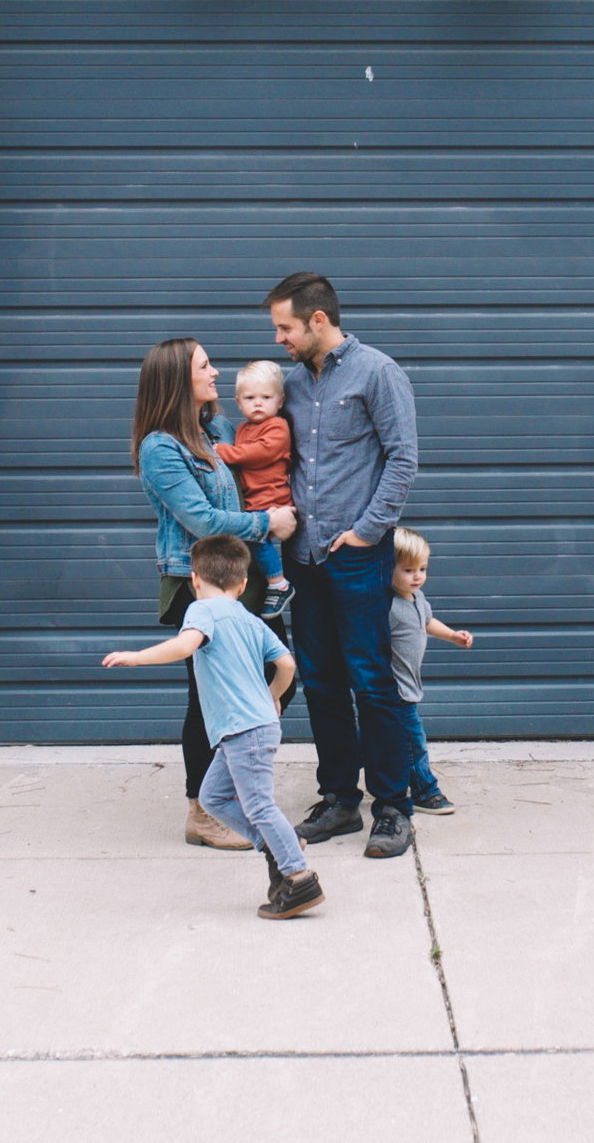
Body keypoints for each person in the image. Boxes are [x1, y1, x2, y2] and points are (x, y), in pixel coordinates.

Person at [266, 271, 423, 860]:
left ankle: (392, 807)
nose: (278, 338)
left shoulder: (378, 372)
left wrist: (365, 532)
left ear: (317, 321)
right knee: (323, 682)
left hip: (356, 556)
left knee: (370, 679)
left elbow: (403, 459)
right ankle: (339, 799)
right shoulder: (289, 384)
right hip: (302, 559)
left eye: (284, 327)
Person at [102, 535, 325, 920]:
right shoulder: (250, 618)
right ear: (242, 584)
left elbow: (186, 646)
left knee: (257, 804)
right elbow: (287, 664)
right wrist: (273, 695)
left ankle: (299, 877)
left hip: (246, 729)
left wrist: (138, 658)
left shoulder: (201, 612)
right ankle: (281, 845)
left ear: (194, 580)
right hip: (250, 727)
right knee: (213, 798)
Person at [132, 337, 297, 851]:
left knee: (279, 679)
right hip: (197, 584)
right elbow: (200, 520)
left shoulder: (214, 429)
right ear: (179, 378)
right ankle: (203, 812)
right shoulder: (160, 446)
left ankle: (228, 792)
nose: (217, 373)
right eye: (205, 366)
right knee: (209, 701)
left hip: (240, 581)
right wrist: (266, 522)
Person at [388, 526, 472, 815]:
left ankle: (347, 768)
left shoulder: (417, 598)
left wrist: (452, 636)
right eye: (408, 569)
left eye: (422, 568)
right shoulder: (388, 606)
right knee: (414, 744)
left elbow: (427, 622)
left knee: (375, 741)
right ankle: (426, 792)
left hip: (409, 687)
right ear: (389, 569)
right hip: (395, 690)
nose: (417, 576)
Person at [214, 360, 295, 616]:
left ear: (280, 401)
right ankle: (264, 581)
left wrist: (225, 453)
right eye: (250, 398)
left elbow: (260, 453)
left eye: (266, 397)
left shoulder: (277, 427)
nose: (258, 403)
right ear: (238, 403)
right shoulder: (241, 429)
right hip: (253, 498)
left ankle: (279, 583)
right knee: (252, 543)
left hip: (271, 497)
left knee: (257, 539)